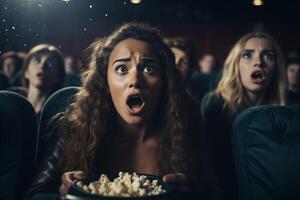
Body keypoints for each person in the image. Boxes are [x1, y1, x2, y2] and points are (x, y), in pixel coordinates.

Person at [24, 23, 216, 199]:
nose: (135, 80)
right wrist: (65, 195)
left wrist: (189, 195)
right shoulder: (75, 128)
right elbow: (36, 194)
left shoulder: (187, 131)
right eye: (122, 69)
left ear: (165, 82)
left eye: (149, 68)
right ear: (105, 81)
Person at [201, 32, 287, 200]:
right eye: (247, 55)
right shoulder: (215, 103)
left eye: (268, 56)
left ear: (277, 66)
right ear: (236, 64)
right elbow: (214, 167)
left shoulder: (290, 105)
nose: (258, 62)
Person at [21, 44, 65, 116]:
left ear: (58, 76)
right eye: (37, 60)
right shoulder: (10, 104)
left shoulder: (60, 115)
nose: (42, 65)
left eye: (49, 62)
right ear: (26, 72)